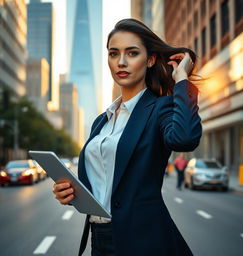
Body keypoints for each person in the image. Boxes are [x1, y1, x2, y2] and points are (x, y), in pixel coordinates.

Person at [53, 18, 202, 256]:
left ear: (151, 59)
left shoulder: (159, 108)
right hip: (99, 239)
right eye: (114, 54)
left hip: (144, 240)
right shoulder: (102, 120)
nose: (121, 62)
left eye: (132, 53)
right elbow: (106, 184)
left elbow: (184, 139)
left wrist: (182, 79)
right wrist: (71, 195)